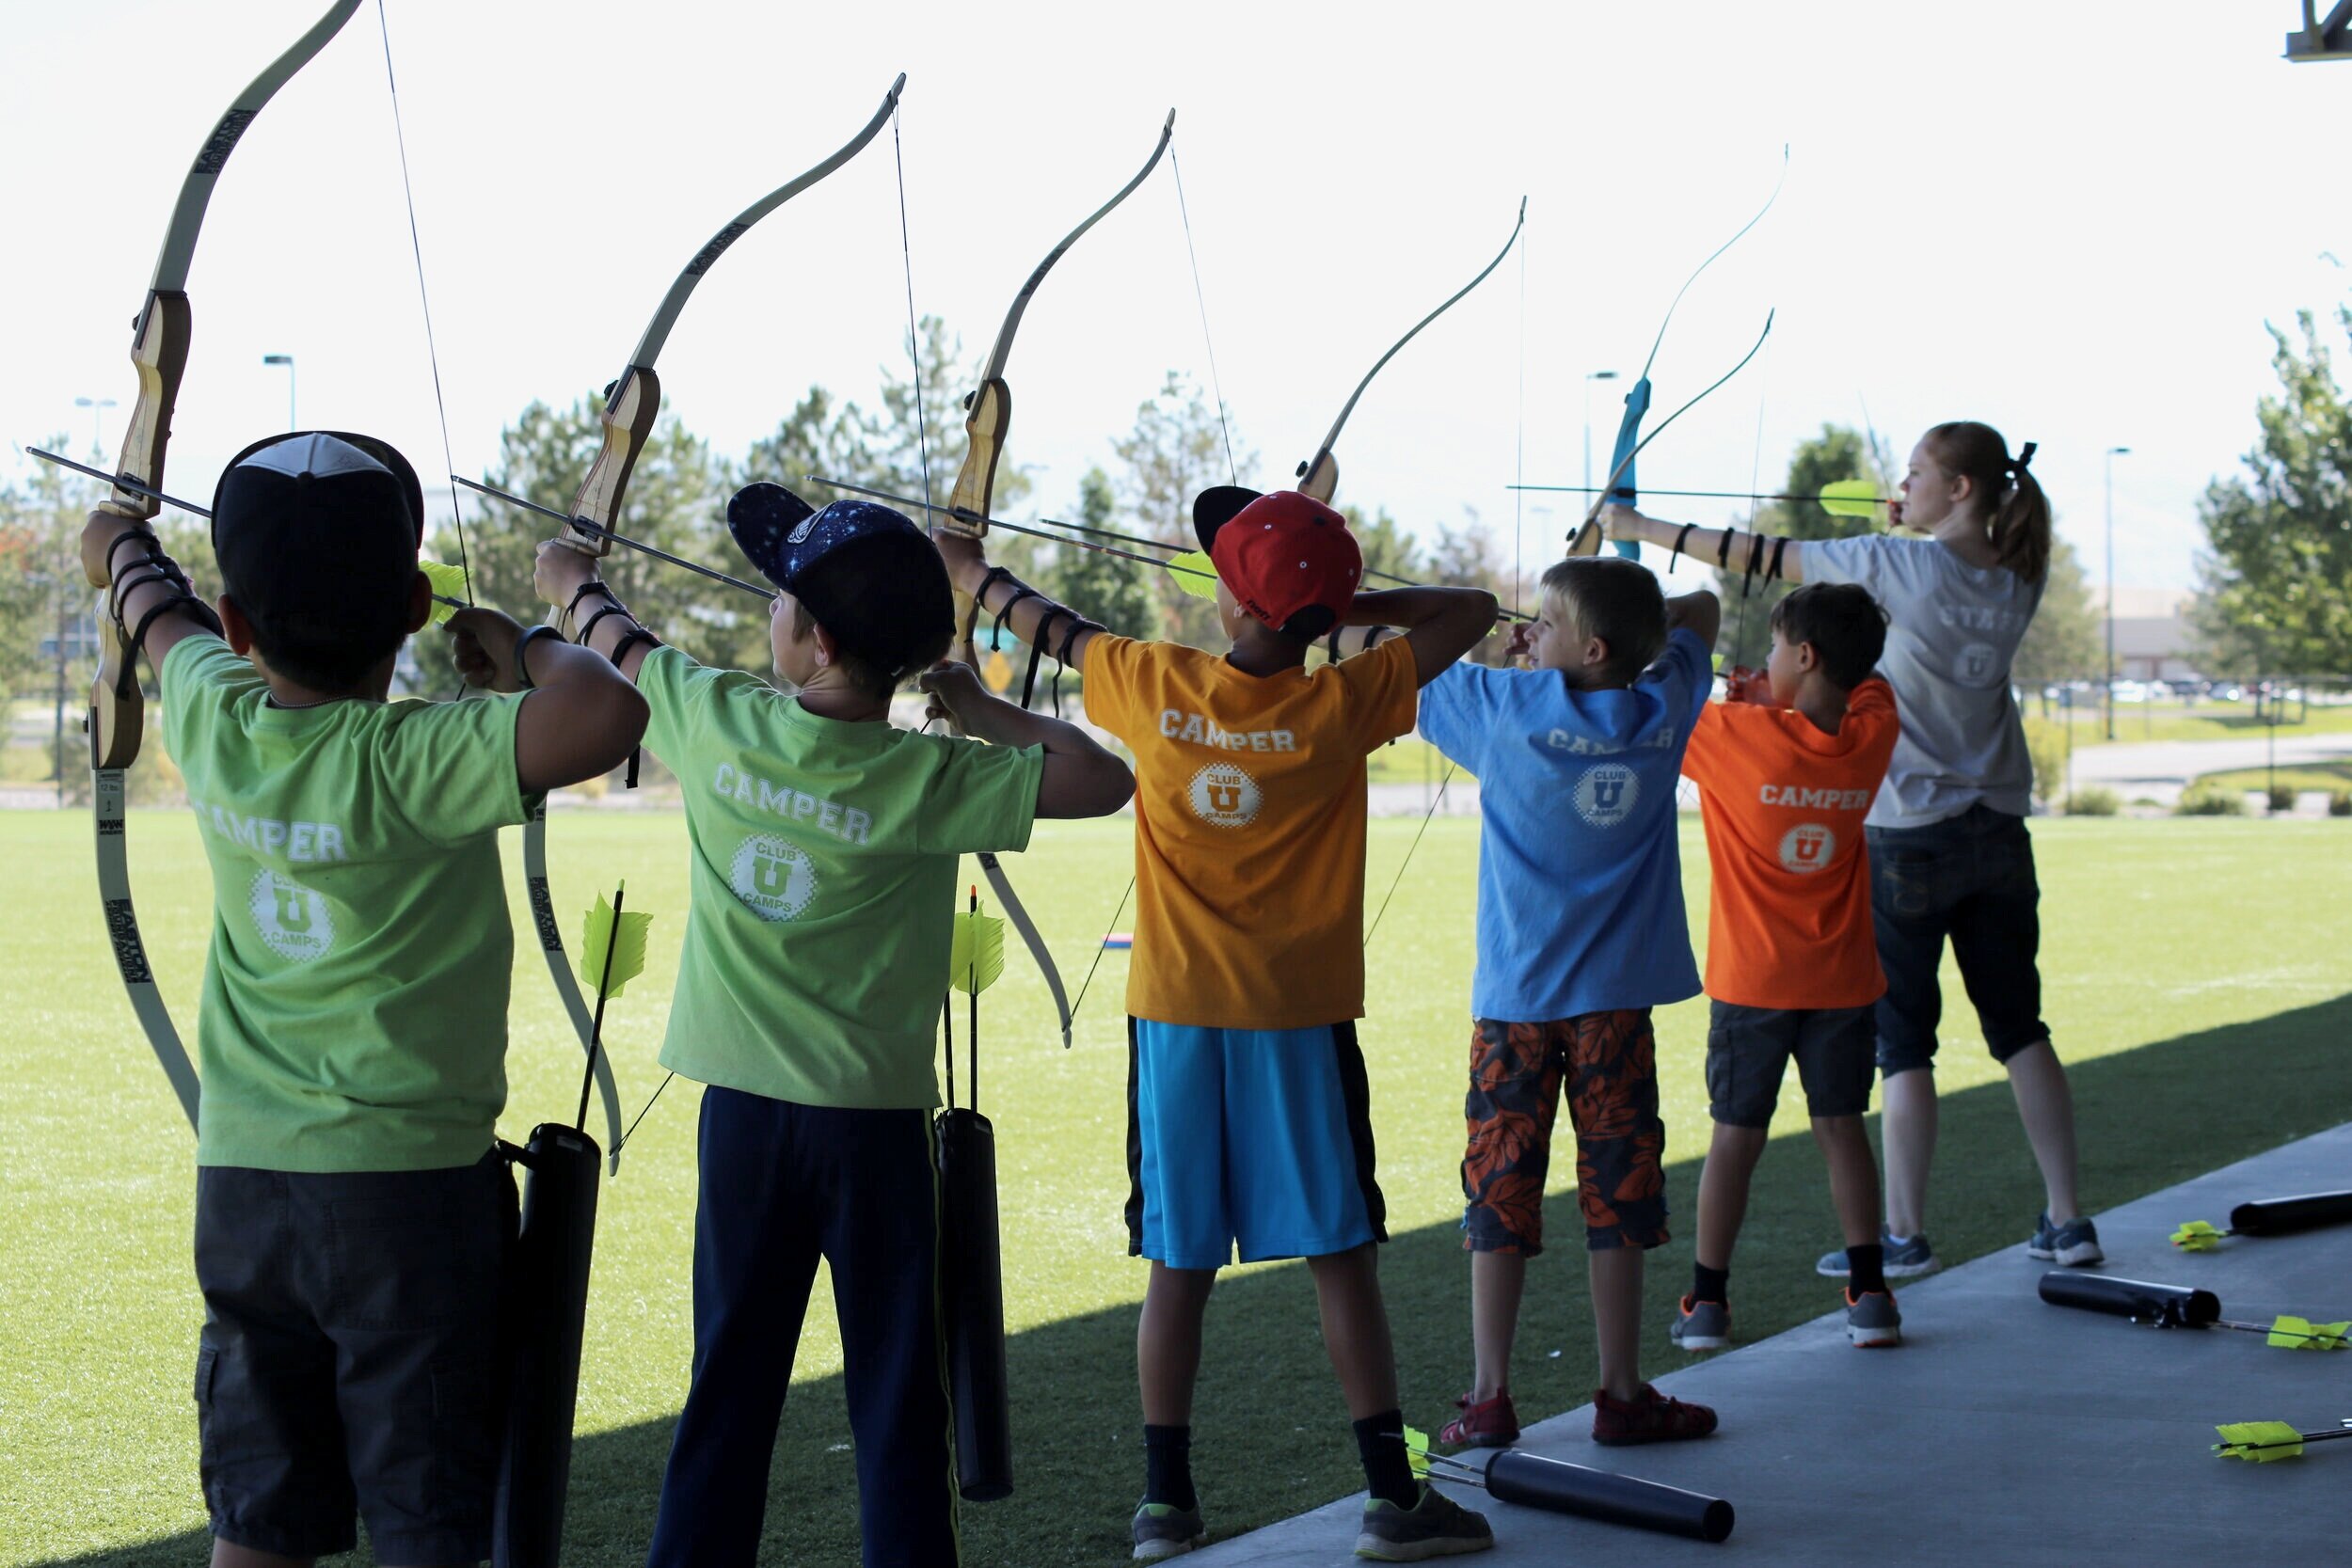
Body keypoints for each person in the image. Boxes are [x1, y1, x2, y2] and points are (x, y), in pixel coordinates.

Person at [531, 484, 1136, 1568]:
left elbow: (615, 638)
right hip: (873, 1130)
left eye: (780, 598)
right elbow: (1104, 778)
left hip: (750, 1125)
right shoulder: (930, 771)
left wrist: (566, 584)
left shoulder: (714, 718)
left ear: (810, 637)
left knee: (731, 1385)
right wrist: (976, 702)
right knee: (898, 1398)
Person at [80, 430, 648, 1567]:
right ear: (408, 607)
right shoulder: (420, 755)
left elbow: (159, 616)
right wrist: (524, 640)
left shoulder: (215, 712)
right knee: (427, 1522)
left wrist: (123, 552)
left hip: (246, 1191)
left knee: (260, 1516)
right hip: (412, 1204)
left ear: (243, 628)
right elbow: (608, 709)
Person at [932, 487, 1500, 1562]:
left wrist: (964, 569)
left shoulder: (1154, 680)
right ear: (1319, 622)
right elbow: (1468, 609)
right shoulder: (1344, 700)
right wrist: (1340, 612)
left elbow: (1035, 617)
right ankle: (1393, 1495)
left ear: (1232, 598)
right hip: (1298, 1023)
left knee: (1176, 1265)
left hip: (1179, 1022)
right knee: (1341, 1256)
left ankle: (1165, 1501)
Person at [1602, 420, 2103, 1278]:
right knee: (2020, 1027)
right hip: (1999, 828)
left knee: (1905, 1044)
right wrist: (1904, 521)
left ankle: (1903, 1236)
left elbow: (1767, 557)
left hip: (1911, 833)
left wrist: (1639, 530)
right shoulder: (2021, 567)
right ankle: (2068, 1215)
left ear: (1961, 490)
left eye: (1916, 474)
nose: (1901, 486)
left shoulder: (1901, 563)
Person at [1419, 555, 1723, 1452]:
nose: (1529, 631)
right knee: (1617, 1195)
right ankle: (1621, 1391)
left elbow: (1394, 657)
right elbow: (1699, 609)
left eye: (1544, 621)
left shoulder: (1503, 710)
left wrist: (1522, 667)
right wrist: (1592, 644)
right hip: (1615, 1010)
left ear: (1586, 644)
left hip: (1515, 1006)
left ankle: (1488, 1396)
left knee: (1498, 1193)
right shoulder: (1662, 703)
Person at [1671, 582, 1903, 1354]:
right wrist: (1780, 696)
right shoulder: (1869, 735)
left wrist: (1758, 704)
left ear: (1804, 657)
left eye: (1776, 649)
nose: (1761, 661)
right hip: (1841, 980)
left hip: (1754, 983)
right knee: (1842, 1129)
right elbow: (1870, 684)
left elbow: (1660, 696)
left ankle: (1707, 1303)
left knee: (1735, 1137)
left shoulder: (1733, 735)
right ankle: (1872, 1293)